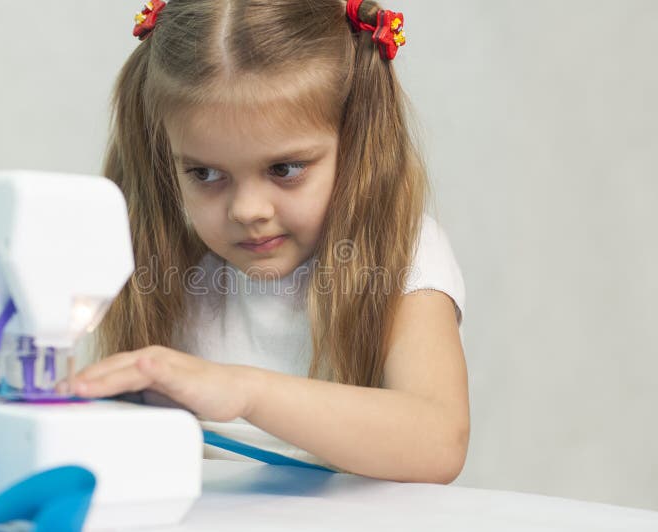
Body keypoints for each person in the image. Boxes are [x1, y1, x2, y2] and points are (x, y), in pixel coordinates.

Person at [66, 0, 469, 483]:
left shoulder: (404, 253)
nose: (246, 210)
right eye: (205, 173)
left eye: (285, 169)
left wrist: (243, 392)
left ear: (357, 142)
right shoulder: (173, 261)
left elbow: (438, 443)